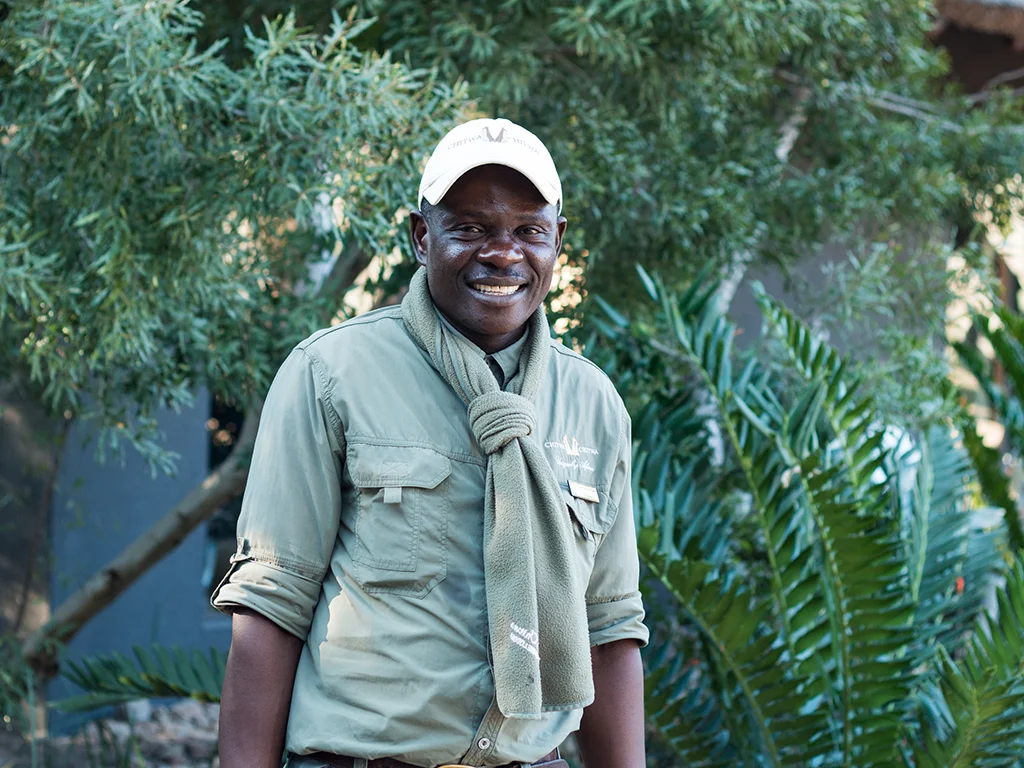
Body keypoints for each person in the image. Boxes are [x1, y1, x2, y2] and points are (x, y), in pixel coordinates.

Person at [212, 118, 649, 768]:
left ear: (557, 241)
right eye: (469, 228)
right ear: (421, 236)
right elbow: (272, 602)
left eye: (528, 231)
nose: (502, 254)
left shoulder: (593, 405)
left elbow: (608, 627)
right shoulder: (332, 374)